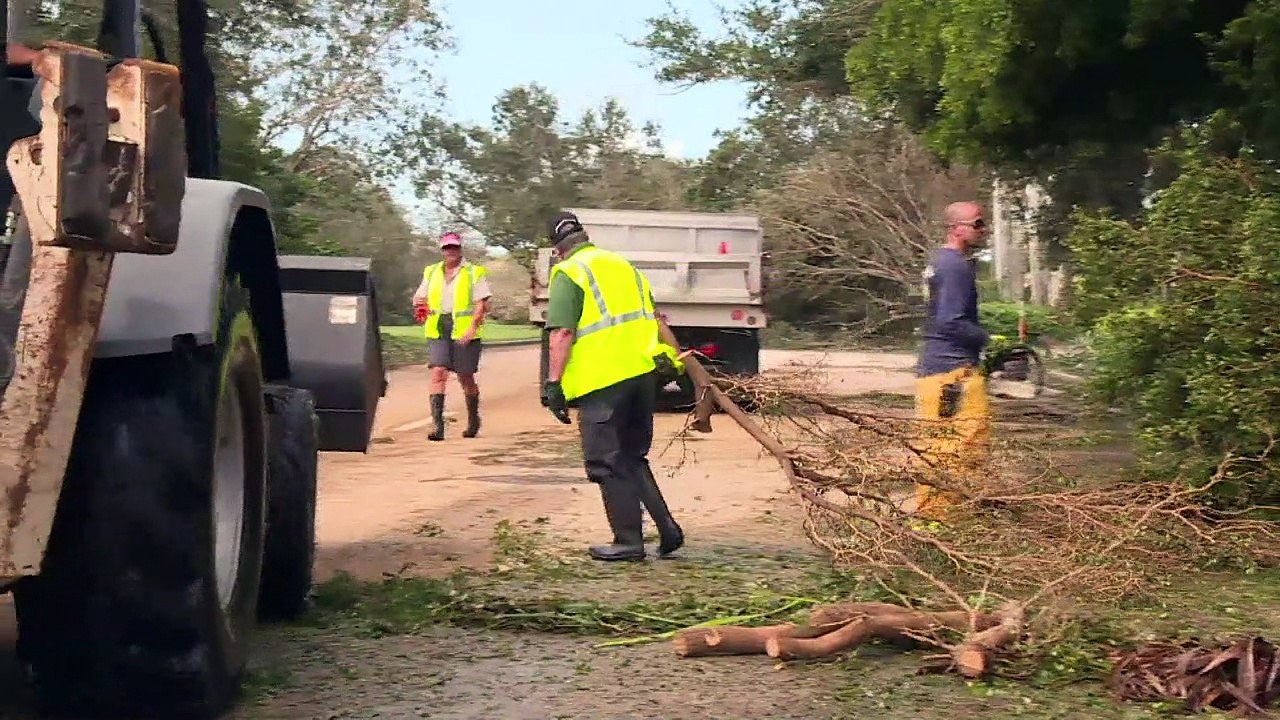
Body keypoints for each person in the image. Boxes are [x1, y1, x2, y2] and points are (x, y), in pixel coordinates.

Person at [540, 211, 684, 562]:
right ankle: (667, 529)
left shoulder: (569, 272)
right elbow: (656, 319)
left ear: (557, 249)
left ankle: (628, 541)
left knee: (606, 461)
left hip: (603, 381)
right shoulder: (624, 267)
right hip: (641, 375)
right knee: (633, 457)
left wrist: (554, 384)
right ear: (585, 236)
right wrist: (676, 361)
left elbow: (562, 333)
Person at [913, 201, 992, 519]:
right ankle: (937, 523)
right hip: (952, 375)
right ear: (957, 228)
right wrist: (987, 339)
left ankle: (951, 519)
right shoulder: (955, 266)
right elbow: (950, 321)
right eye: (978, 224)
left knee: (944, 449)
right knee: (954, 450)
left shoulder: (940, 262)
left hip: (940, 370)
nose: (983, 230)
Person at [411, 232, 492, 441]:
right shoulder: (431, 272)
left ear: (460, 249)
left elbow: (482, 303)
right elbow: (421, 295)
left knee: (465, 376)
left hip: (464, 330)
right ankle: (438, 427)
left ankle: (473, 419)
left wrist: (472, 329)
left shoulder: (474, 272)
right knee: (438, 372)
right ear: (442, 250)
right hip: (439, 328)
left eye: (454, 248)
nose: (451, 252)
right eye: (447, 248)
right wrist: (419, 304)